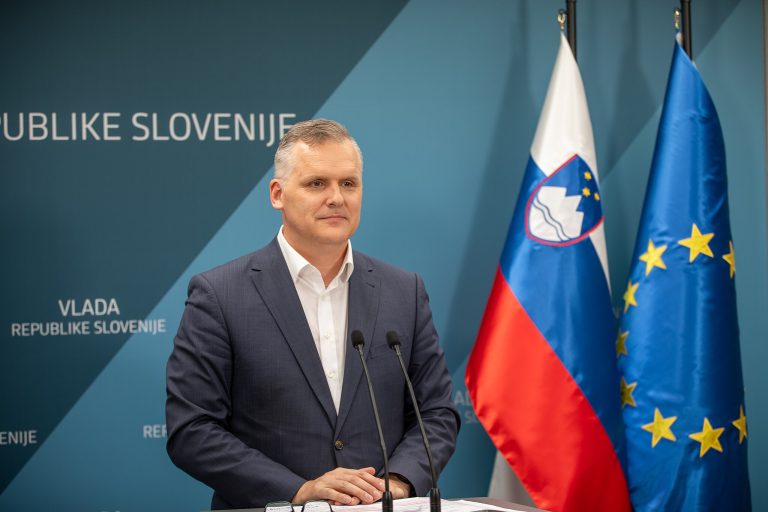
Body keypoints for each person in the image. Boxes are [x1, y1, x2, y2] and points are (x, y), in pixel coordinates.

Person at [166, 119, 459, 510]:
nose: (336, 198)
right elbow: (192, 429)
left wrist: (397, 483)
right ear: (277, 194)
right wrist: (298, 490)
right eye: (317, 183)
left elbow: (436, 414)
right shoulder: (219, 295)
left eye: (348, 183)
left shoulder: (404, 291)